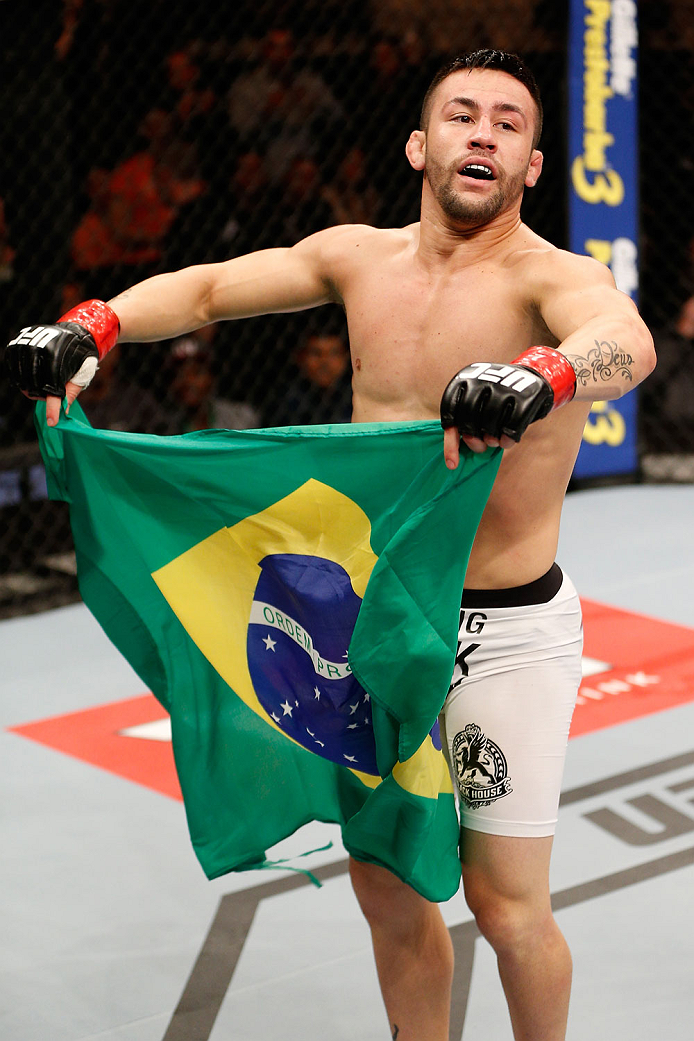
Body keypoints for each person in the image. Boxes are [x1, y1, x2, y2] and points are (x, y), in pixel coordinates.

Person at [4, 50, 654, 1041]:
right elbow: (217, 289)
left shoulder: (554, 280)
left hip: (499, 630)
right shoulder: (358, 256)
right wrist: (96, 324)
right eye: (461, 115)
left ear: (530, 166)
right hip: (370, 618)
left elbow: (624, 339)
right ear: (418, 144)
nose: (482, 133)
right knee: (389, 891)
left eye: (508, 124)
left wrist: (545, 378)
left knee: (506, 907)